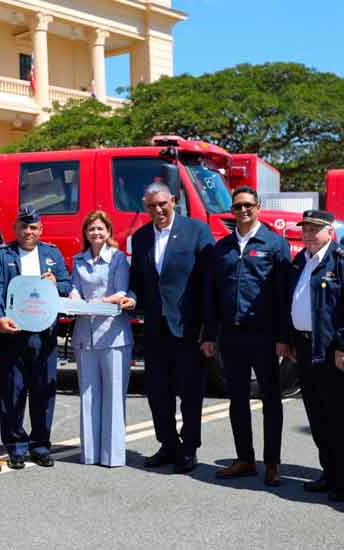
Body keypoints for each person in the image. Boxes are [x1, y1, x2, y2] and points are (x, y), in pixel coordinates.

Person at [201, 186, 288, 484]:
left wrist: (283, 336)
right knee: (237, 399)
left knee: (271, 399)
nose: (243, 211)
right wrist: (209, 335)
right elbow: (211, 296)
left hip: (264, 335)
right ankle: (245, 459)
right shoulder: (222, 248)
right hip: (232, 336)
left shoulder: (275, 244)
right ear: (233, 211)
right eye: (238, 207)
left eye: (248, 205)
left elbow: (282, 295)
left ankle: (273, 462)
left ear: (258, 207)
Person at [131, 183, 213, 475]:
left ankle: (189, 448)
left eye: (163, 204)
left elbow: (209, 284)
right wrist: (130, 298)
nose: (158, 210)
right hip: (155, 329)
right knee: (158, 392)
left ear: (174, 201)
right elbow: (137, 284)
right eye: (152, 206)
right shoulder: (139, 238)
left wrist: (209, 331)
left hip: (188, 329)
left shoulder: (197, 231)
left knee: (190, 393)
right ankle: (167, 444)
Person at [287, 210, 344, 502]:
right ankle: (329, 472)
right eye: (305, 228)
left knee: (340, 418)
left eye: (314, 229)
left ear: (330, 232)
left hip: (332, 349)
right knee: (317, 415)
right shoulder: (301, 260)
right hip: (306, 347)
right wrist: (290, 339)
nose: (308, 233)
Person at [0, 207, 71, 469]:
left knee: (44, 391)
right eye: (24, 227)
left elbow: (68, 286)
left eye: (33, 227)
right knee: (13, 392)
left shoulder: (52, 254)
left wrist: (56, 282)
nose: (28, 232)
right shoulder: (1, 255)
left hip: (44, 336)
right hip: (13, 334)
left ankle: (41, 446)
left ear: (41, 230)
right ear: (16, 229)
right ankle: (16, 447)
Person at [69, 211, 136, 467]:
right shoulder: (78, 260)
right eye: (91, 229)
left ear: (108, 231)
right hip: (85, 335)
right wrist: (74, 298)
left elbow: (121, 291)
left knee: (114, 395)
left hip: (114, 335)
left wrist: (97, 302)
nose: (96, 233)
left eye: (100, 229)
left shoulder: (118, 259)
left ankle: (113, 455)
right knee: (88, 394)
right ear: (86, 233)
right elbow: (74, 286)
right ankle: (90, 454)